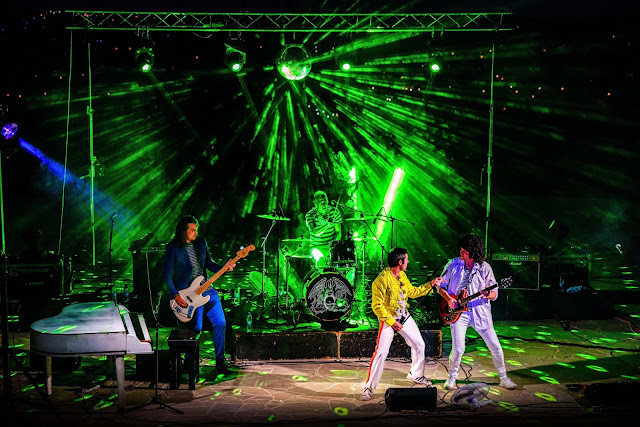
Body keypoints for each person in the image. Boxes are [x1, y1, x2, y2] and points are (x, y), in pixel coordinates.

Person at [360, 248, 444, 401]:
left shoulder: (402, 275)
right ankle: (368, 387)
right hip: (388, 319)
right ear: (400, 262)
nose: (408, 261)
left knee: (419, 344)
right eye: (407, 259)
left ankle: (416, 375)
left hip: (404, 316)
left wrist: (431, 284)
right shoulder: (381, 280)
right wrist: (392, 322)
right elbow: (377, 306)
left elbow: (412, 292)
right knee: (381, 352)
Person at [436, 234, 517, 390]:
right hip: (458, 312)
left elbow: (494, 293)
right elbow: (440, 286)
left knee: (495, 346)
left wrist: (488, 294)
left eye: (465, 250)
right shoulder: (453, 264)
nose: (461, 252)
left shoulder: (484, 267)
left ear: (473, 252)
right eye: (461, 249)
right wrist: (449, 299)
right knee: (458, 348)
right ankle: (452, 378)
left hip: (480, 312)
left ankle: (503, 377)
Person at [162, 215, 235, 374]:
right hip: (189, 294)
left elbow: (209, 264)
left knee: (221, 322)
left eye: (196, 230)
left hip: (206, 289)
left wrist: (225, 267)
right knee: (197, 327)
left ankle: (220, 361)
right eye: (192, 230)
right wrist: (175, 295)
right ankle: (189, 361)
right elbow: (166, 274)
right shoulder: (173, 247)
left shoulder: (201, 242)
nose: (196, 232)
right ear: (183, 231)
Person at [305, 190, 343, 268]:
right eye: (320, 202)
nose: (324, 204)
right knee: (320, 260)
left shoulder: (334, 212)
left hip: (330, 246)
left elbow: (338, 233)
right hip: (316, 247)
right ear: (315, 204)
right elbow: (315, 232)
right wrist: (327, 225)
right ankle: (320, 275)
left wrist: (333, 246)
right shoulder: (310, 215)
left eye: (325, 201)